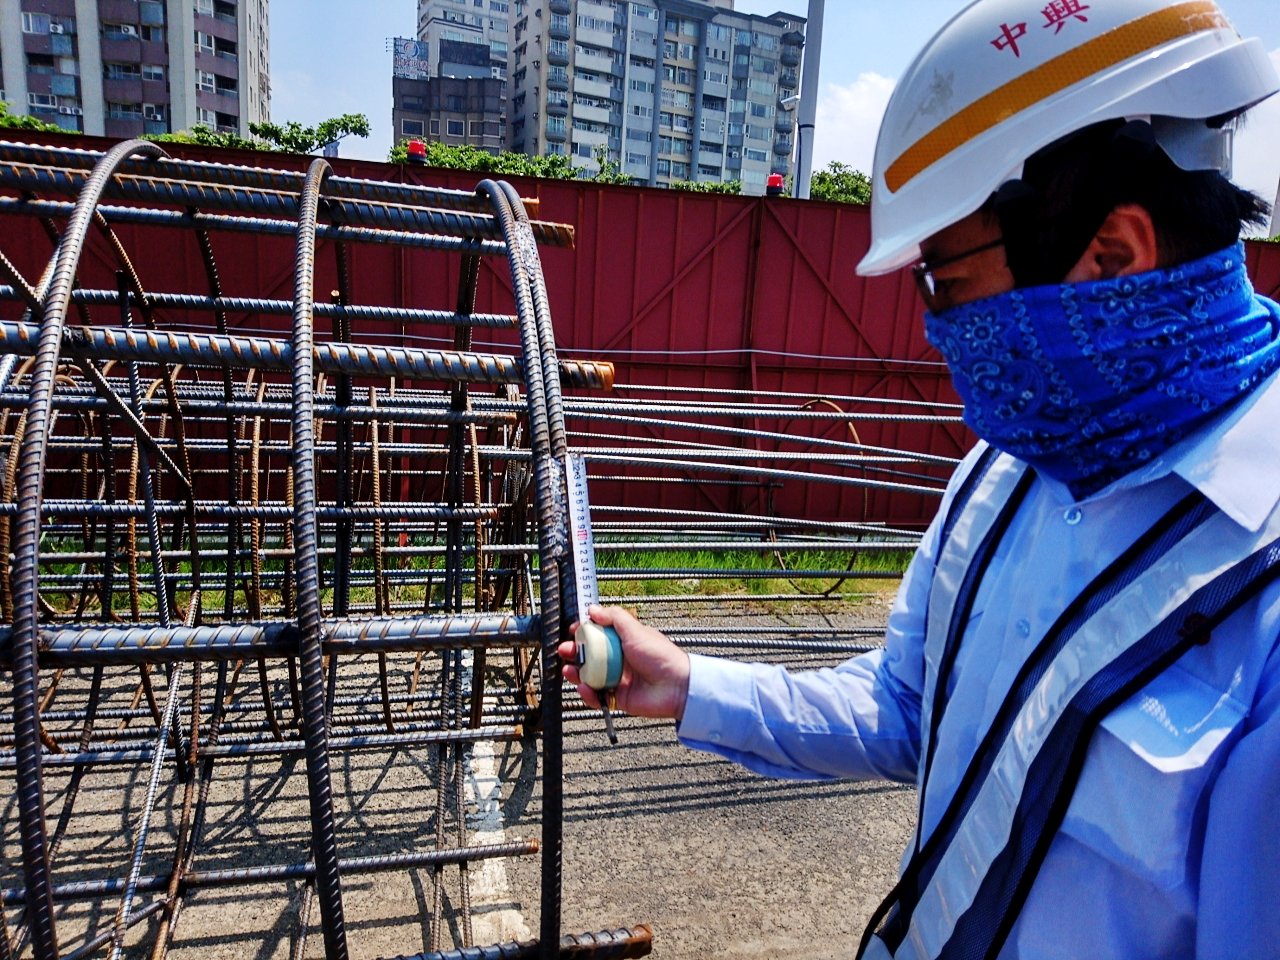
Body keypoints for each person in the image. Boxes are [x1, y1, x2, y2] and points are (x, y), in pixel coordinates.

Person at [559, 2, 1280, 958]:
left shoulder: (1258, 592)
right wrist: (693, 684)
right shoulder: (1005, 475)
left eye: (945, 280)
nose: (935, 330)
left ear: (1110, 257)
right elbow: (908, 708)